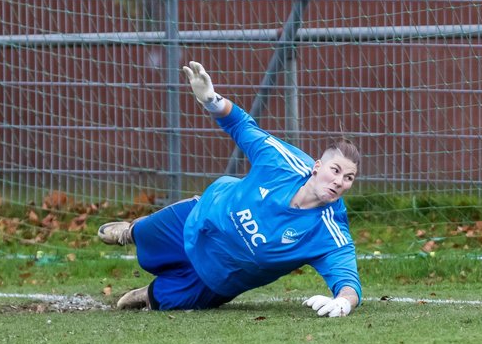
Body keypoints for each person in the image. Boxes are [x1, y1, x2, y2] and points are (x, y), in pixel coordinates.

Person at [97, 61, 362, 317]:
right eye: (335, 170)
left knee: (159, 301)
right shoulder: (282, 162)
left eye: (348, 178)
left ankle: (149, 293)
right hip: (201, 218)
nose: (339, 181)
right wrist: (212, 100)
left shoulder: (330, 232)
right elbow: (242, 126)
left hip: (217, 278)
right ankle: (131, 232)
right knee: (145, 235)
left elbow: (349, 282)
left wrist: (343, 303)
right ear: (317, 167)